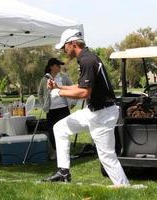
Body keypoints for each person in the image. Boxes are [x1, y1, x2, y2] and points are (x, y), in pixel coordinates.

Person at [42, 29, 129, 186]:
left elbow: (83, 92)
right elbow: (81, 85)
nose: (64, 50)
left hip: (103, 114)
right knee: (60, 128)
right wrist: (58, 86)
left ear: (73, 43)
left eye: (64, 47)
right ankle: (63, 172)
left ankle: (125, 188)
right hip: (95, 111)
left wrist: (59, 93)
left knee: (107, 157)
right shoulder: (86, 58)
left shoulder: (87, 60)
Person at [38, 58, 73, 158]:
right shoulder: (44, 79)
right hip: (51, 109)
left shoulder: (64, 77)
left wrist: (73, 102)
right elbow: (40, 94)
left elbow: (72, 87)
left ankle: (66, 152)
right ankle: (56, 151)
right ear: (51, 67)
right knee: (52, 131)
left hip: (63, 108)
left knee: (64, 130)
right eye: (58, 65)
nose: (59, 67)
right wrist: (43, 104)